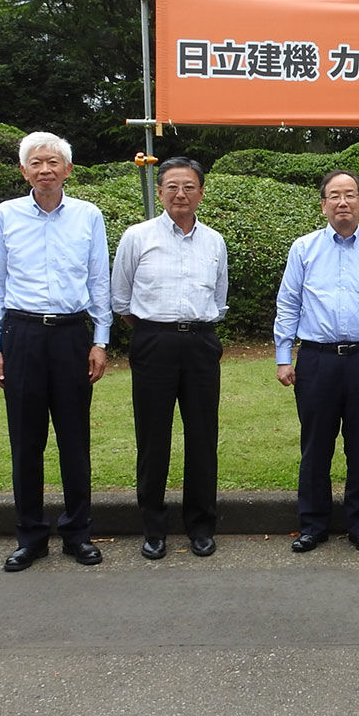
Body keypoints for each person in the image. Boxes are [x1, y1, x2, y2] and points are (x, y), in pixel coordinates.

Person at [0, 131, 112, 571]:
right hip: (22, 335)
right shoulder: (4, 216)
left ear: (68, 169)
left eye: (53, 162)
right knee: (26, 441)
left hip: (72, 335)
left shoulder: (88, 216)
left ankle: (77, 533)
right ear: (24, 171)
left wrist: (100, 339)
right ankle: (31, 536)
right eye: (35, 163)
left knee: (75, 440)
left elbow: (99, 282)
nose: (45, 170)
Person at [274, 170, 359, 554]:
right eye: (334, 196)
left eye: (350, 195)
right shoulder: (303, 249)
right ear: (323, 205)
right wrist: (285, 357)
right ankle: (312, 525)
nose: (343, 202)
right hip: (316, 359)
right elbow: (288, 304)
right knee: (315, 446)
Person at [111, 157, 228, 561]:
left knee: (202, 438)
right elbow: (121, 299)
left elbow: (220, 298)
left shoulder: (214, 241)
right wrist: (151, 332)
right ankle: (154, 528)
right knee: (153, 437)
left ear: (201, 192)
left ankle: (200, 526)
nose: (181, 194)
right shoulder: (137, 237)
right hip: (153, 343)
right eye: (172, 186)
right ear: (159, 192)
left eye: (189, 186)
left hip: (200, 343)